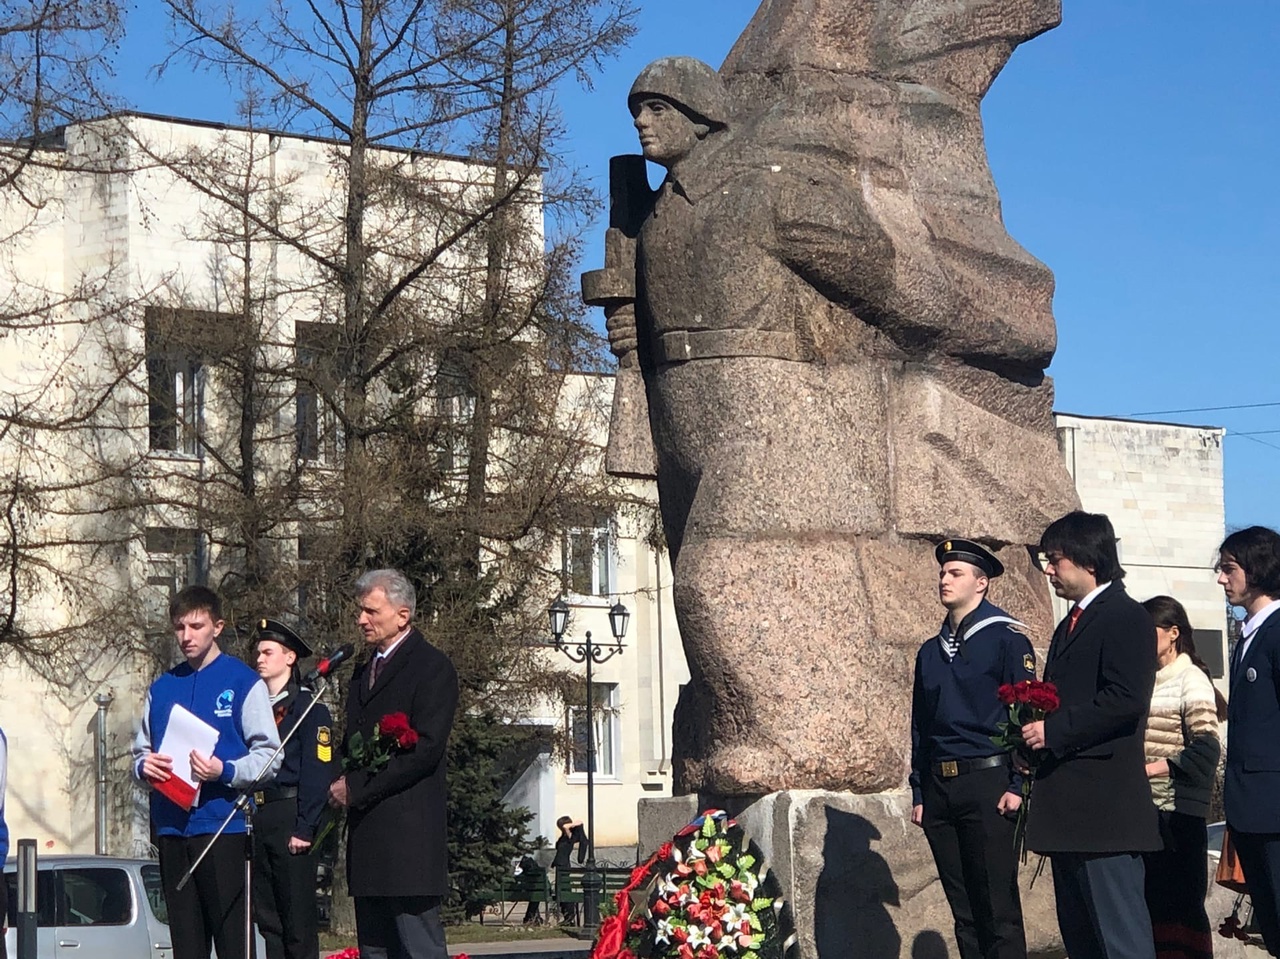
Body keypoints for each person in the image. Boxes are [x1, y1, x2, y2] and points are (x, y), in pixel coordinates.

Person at [1020, 511, 1160, 959]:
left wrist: (1053, 731)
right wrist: (1028, 742)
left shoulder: (1125, 616)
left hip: (1105, 814)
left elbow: (1125, 699)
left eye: (1056, 560)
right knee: (1082, 941)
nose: (1048, 570)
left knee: (1121, 941)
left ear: (1089, 561)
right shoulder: (1069, 624)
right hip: (1068, 812)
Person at [131, 585, 282, 959]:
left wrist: (225, 770)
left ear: (217, 627)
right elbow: (140, 750)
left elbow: (270, 755)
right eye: (179, 628)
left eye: (196, 626)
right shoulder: (163, 687)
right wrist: (142, 766)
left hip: (222, 828)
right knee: (187, 943)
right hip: (172, 828)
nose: (186, 637)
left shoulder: (243, 682)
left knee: (232, 942)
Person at [909, 539, 1034, 959]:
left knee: (997, 908)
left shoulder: (1007, 638)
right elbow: (921, 727)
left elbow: (1026, 713)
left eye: (955, 573)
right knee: (963, 912)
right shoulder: (929, 651)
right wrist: (920, 791)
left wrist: (1017, 782)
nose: (944, 579)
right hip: (941, 789)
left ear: (981, 584)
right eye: (943, 572)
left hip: (989, 781)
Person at [328, 569, 459, 959]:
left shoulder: (431, 668)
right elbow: (352, 743)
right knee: (375, 950)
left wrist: (357, 787)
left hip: (409, 845)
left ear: (402, 614)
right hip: (369, 843)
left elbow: (425, 751)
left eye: (371, 611)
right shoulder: (362, 671)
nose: (361, 620)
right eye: (360, 611)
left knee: (418, 948)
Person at [1139, 595, 1223, 959]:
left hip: (1178, 815)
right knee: (1152, 914)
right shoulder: (1144, 680)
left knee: (1180, 915)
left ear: (1173, 633)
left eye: (1147, 630)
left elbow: (1206, 751)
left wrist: (1153, 768)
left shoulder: (1192, 680)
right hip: (1144, 813)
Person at [251, 619, 338, 959]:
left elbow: (317, 773)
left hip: (291, 816)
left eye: (268, 652)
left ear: (289, 658)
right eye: (258, 652)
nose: (260, 658)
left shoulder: (308, 710)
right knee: (268, 918)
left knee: (297, 922)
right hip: (261, 814)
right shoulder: (255, 711)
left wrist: (305, 826)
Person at [1217, 526, 1280, 956]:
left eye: (1229, 569)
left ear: (1258, 570)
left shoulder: (1275, 631)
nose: (1222, 579)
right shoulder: (1249, 635)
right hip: (1251, 808)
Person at [552, 816, 587, 926]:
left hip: (564, 866)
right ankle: (567, 915)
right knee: (560, 891)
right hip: (560, 866)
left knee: (565, 890)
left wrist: (568, 826)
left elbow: (578, 822)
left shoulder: (570, 837)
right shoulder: (563, 837)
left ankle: (570, 916)